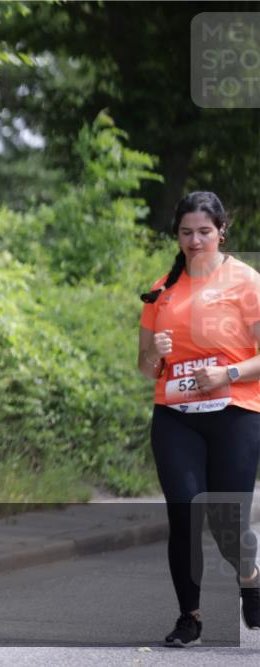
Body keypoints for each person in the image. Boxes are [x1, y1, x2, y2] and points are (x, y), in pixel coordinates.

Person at [138, 191, 260, 647]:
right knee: (184, 512)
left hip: (235, 413)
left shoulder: (246, 282)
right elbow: (145, 367)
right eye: (186, 232)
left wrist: (227, 373)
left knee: (228, 525)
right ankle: (189, 617)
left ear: (221, 231)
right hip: (176, 417)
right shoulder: (162, 289)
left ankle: (250, 577)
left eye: (204, 232)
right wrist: (154, 353)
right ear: (176, 234)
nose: (195, 241)